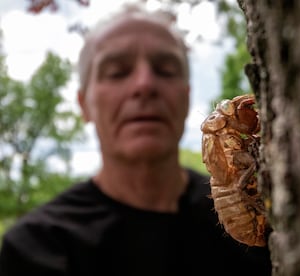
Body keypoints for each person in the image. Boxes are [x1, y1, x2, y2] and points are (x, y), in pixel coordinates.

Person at [0, 5, 271, 276]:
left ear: (186, 96)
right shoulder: (36, 248)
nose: (144, 85)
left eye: (165, 70)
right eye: (117, 72)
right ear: (84, 104)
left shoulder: (272, 213)